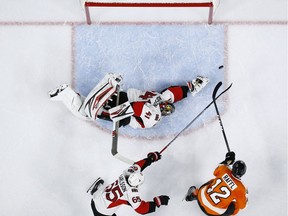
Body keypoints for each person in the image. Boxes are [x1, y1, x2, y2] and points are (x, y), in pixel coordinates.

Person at [48, 73, 209, 129]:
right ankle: (66, 94)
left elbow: (175, 93)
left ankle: (68, 93)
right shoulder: (155, 116)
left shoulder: (161, 98)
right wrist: (111, 115)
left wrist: (191, 88)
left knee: (88, 107)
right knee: (87, 113)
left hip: (124, 98)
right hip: (125, 112)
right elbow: (136, 108)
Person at [87, 151, 170, 216]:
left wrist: (150, 159)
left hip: (95, 200)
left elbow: (138, 165)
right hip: (102, 213)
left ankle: (95, 191)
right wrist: (157, 202)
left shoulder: (128, 173)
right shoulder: (131, 193)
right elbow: (141, 209)